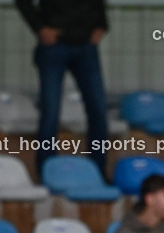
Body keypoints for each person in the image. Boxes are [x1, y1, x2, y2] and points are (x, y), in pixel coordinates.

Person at [15, 0, 109, 175]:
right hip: (55, 43)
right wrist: (39, 28)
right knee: (50, 113)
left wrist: (102, 24)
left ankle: (98, 170)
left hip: (85, 44)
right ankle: (47, 171)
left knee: (98, 110)